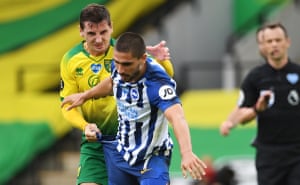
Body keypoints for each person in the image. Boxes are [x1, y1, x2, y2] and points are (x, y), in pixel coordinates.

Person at [62, 32, 207, 185]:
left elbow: (177, 117)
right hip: (121, 155)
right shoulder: (119, 68)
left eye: (126, 64)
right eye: (117, 62)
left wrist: (187, 153)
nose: (120, 69)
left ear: (143, 59)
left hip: (151, 158)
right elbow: (112, 82)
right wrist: (86, 95)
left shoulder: (157, 82)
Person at [60, 4, 174, 185]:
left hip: (131, 143)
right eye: (91, 34)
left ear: (111, 27)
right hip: (95, 142)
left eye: (103, 32)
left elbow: (164, 77)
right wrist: (84, 126)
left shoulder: (125, 51)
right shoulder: (70, 60)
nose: (98, 39)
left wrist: (163, 61)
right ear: (81, 31)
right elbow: (68, 105)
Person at [220, 22, 300, 185]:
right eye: (269, 41)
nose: (274, 45)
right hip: (269, 155)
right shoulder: (255, 77)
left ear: (287, 42)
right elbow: (242, 114)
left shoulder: (298, 73)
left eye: (278, 40)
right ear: (263, 45)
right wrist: (257, 109)